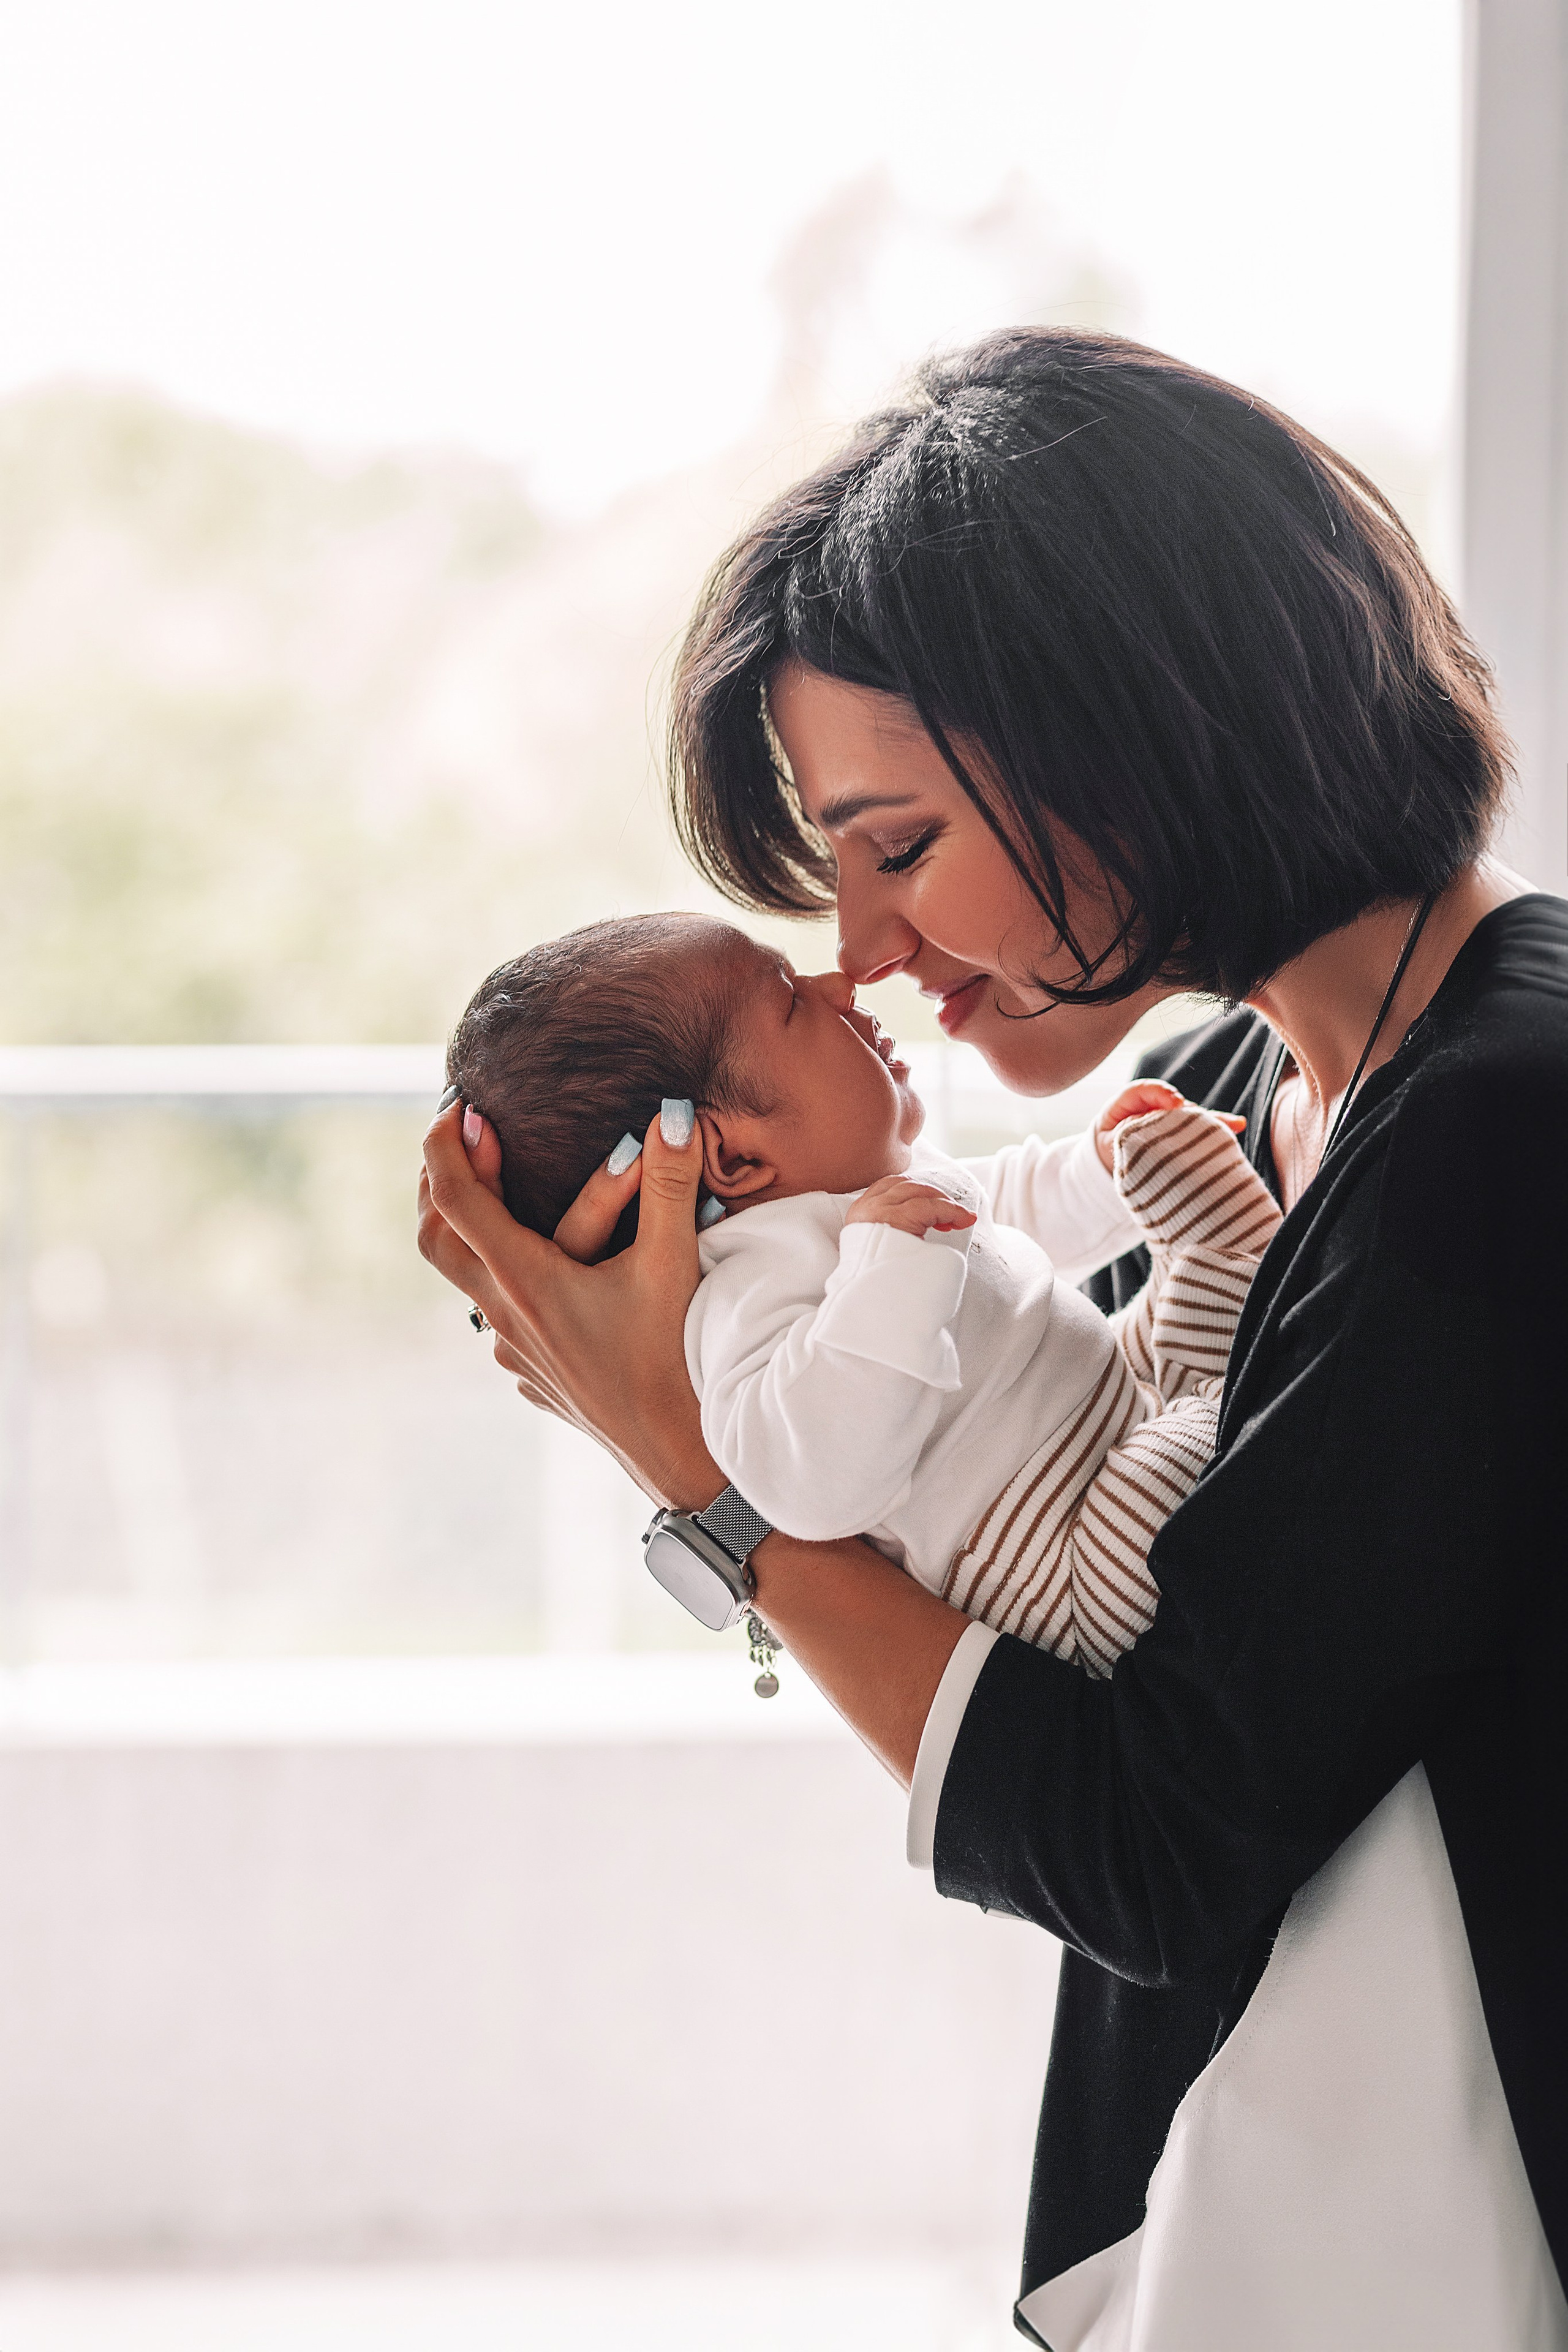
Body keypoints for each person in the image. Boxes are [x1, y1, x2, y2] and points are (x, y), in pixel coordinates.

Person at [420, 329, 1568, 2347]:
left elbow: (1151, 1833)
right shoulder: (1234, 1089)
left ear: (1133, 738)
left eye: (898, 844)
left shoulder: (1503, 1120)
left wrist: (697, 1478)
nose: (860, 952)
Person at [442, 910, 1276, 1665]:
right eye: (793, 1004)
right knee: (1231, 1431)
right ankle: (1241, 1399)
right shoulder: (743, 1294)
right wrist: (893, 1263)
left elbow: (1005, 1212)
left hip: (1121, 1413)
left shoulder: (881, 1197)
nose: (838, 983)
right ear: (733, 1159)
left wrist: (1103, 1166)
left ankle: (1219, 1367)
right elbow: (810, 1482)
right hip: (1074, 1562)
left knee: (1180, 1190)